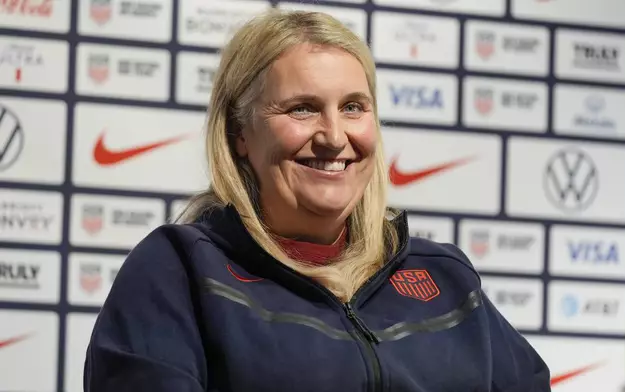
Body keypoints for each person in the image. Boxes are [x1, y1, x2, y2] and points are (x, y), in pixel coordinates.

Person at [83, 9, 551, 392]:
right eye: (302, 108)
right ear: (239, 133)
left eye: (353, 107)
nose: (334, 137)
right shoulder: (180, 271)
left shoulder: (446, 278)